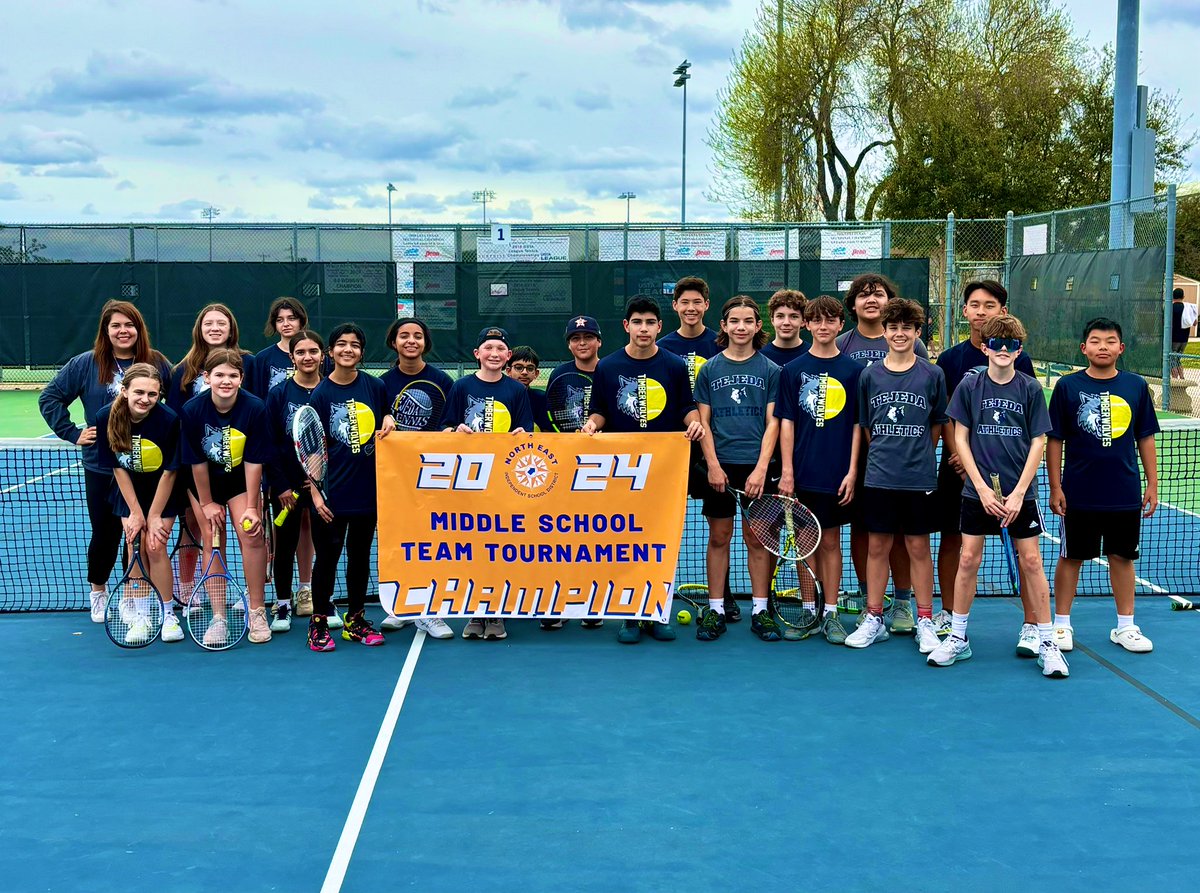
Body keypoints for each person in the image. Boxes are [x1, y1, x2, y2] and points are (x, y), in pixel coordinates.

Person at [926, 315, 1068, 677]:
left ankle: (1048, 641)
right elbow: (959, 437)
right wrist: (981, 487)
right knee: (968, 558)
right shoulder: (970, 387)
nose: (1003, 351)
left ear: (1019, 350)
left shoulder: (1030, 389)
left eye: (1011, 345)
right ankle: (958, 638)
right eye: (996, 344)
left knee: (1032, 561)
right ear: (985, 347)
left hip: (1022, 493)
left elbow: (1039, 440)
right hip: (978, 493)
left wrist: (1020, 492)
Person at [39, 300, 172, 622]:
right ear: (106, 331)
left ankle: (139, 597)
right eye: (116, 326)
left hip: (146, 471)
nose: (123, 331)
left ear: (139, 329)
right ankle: (98, 591)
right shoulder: (86, 364)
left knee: (144, 534)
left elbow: (177, 405)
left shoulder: (156, 362)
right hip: (102, 468)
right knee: (106, 533)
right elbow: (50, 397)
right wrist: (71, 432)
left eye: (130, 325)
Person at [583, 295, 704, 644]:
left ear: (659, 327)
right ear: (627, 326)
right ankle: (629, 615)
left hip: (665, 469)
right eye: (637, 322)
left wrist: (694, 423)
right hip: (623, 469)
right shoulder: (607, 366)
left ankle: (658, 611)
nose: (644, 329)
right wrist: (592, 425)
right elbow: (600, 410)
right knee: (627, 541)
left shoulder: (675, 365)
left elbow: (686, 406)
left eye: (650, 323)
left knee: (662, 541)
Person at [933, 280, 1036, 648]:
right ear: (964, 311)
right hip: (958, 468)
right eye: (974, 304)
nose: (981, 311)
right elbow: (947, 414)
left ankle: (1033, 625)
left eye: (989, 305)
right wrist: (958, 456)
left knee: (1030, 556)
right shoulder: (949, 360)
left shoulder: (1019, 360)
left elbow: (1028, 422)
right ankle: (949, 615)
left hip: (1008, 472)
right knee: (953, 542)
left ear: (1003, 311)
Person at [1047, 318, 1159, 654]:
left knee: (1122, 557)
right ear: (1084, 348)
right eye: (1095, 341)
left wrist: (1152, 482)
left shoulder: (1136, 386)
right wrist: (1056, 486)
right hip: (1079, 493)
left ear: (1121, 348)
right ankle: (1062, 624)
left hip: (1124, 494)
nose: (1103, 347)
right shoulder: (1067, 387)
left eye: (1110, 341)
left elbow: (1145, 437)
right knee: (1071, 557)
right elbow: (1054, 441)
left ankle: (1126, 626)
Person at [845, 298, 946, 654]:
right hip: (879, 476)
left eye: (907, 327)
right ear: (884, 332)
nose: (899, 333)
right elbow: (867, 427)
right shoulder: (869, 375)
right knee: (878, 546)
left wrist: (917, 453)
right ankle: (874, 617)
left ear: (917, 333)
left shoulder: (933, 374)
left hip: (918, 478)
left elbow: (936, 424)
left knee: (918, 547)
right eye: (893, 327)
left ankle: (925, 621)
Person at [836, 274, 924, 631]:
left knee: (903, 534)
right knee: (864, 530)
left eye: (879, 295)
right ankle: (865, 598)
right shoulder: (842, 343)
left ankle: (902, 603)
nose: (871, 300)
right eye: (863, 295)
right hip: (858, 456)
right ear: (853, 304)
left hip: (904, 463)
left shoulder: (913, 347)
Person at [693, 296, 782, 642]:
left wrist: (761, 469)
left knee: (757, 538)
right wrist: (713, 466)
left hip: (758, 467)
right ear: (725, 326)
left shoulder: (772, 371)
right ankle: (715, 609)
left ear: (759, 327)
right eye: (734, 321)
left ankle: (760, 610)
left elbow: (773, 423)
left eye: (748, 321)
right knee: (719, 537)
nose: (741, 327)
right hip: (720, 468)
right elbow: (704, 421)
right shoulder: (710, 369)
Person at [775, 295, 863, 645]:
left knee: (831, 543)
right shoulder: (793, 371)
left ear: (841, 325)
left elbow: (858, 426)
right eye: (817, 321)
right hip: (803, 473)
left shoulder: (855, 372)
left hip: (838, 474)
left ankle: (831, 614)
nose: (824, 327)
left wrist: (853, 471)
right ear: (807, 325)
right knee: (805, 545)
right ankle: (809, 610)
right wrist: (787, 471)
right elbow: (786, 425)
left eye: (831, 321)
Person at [304, 324, 396, 652]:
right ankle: (318, 623)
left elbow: (386, 421)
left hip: (367, 491)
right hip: (332, 494)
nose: (348, 350)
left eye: (355, 345)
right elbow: (313, 447)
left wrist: (389, 420)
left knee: (359, 558)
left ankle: (355, 621)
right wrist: (316, 493)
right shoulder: (321, 394)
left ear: (361, 352)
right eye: (341, 344)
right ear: (330, 352)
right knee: (327, 558)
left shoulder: (376, 386)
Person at [443, 326, 534, 641]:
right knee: (473, 549)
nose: (494, 353)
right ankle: (475, 610)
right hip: (469, 483)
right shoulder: (461, 387)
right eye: (488, 348)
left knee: (499, 548)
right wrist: (455, 432)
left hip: (504, 484)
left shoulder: (517, 391)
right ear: (477, 354)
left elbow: (526, 432)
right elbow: (445, 428)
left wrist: (522, 436)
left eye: (500, 349)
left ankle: (496, 612)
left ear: (507, 356)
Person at [178, 349, 273, 645]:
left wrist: (252, 507)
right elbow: (196, 463)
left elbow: (254, 461)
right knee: (212, 539)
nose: (226, 381)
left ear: (241, 378)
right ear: (207, 377)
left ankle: (256, 611)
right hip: (203, 483)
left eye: (233, 375)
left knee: (252, 534)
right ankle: (219, 617)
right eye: (219, 375)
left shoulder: (255, 408)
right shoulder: (193, 410)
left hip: (240, 482)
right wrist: (206, 504)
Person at [657, 276, 736, 619]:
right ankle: (653, 595)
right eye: (684, 302)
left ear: (706, 305)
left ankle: (724, 596)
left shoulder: (721, 343)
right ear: (675, 306)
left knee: (720, 527)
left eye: (697, 302)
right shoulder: (661, 347)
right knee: (659, 526)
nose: (690, 308)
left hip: (712, 452)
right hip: (670, 454)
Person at [167, 303, 255, 608]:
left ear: (231, 328)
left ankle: (247, 594)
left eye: (222, 322)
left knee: (250, 532)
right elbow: (179, 419)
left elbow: (254, 408)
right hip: (196, 468)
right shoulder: (182, 370)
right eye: (209, 323)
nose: (215, 328)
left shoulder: (248, 363)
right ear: (199, 329)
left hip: (242, 469)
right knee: (197, 530)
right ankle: (191, 587)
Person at [376, 317, 455, 639]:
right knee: (396, 541)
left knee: (433, 541)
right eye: (404, 336)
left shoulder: (444, 381)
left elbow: (452, 424)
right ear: (393, 342)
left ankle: (431, 610)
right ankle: (400, 606)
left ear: (426, 342)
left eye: (418, 336)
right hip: (395, 478)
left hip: (432, 477)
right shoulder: (380, 384)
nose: (411, 341)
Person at [94, 364, 183, 644]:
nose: (145, 399)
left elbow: (170, 472)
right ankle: (142, 616)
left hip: (163, 490)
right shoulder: (105, 416)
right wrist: (135, 512)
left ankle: (168, 614)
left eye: (153, 394)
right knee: (134, 545)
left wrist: (153, 515)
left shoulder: (168, 419)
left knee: (154, 545)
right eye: (139, 392)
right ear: (125, 391)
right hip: (128, 491)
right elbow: (117, 468)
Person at [263, 329, 340, 633]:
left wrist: (320, 479)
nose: (307, 357)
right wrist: (281, 485)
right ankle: (282, 604)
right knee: (285, 545)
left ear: (323, 355)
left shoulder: (330, 391)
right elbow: (270, 444)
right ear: (292, 358)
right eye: (301, 352)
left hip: (324, 487)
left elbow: (334, 440)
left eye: (313, 351)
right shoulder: (279, 394)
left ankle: (325, 601)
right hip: (287, 488)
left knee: (328, 545)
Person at [539, 317, 606, 630]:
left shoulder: (610, 370)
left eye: (588, 337)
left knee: (597, 536)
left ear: (598, 342)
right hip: (565, 467)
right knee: (562, 535)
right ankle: (558, 603)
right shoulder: (560, 374)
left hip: (604, 468)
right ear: (569, 344)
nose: (583, 343)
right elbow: (556, 416)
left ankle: (592, 603)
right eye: (576, 338)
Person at [249, 296, 311, 397]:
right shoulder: (263, 357)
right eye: (280, 320)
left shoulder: (315, 356)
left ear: (301, 320)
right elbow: (258, 396)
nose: (286, 324)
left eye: (291, 318)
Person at [506, 345, 554, 433]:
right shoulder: (501, 396)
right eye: (518, 367)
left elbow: (547, 432)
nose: (524, 372)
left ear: (536, 373)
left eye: (530, 368)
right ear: (508, 371)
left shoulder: (541, 398)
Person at [759, 289, 809, 367]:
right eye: (780, 316)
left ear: (803, 321)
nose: (786, 323)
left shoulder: (812, 354)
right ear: (772, 320)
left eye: (794, 316)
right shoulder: (760, 356)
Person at [1171, 288, 1191, 380]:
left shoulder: (1170, 308)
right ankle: (1182, 377)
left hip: (1173, 338)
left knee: (1172, 360)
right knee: (1178, 359)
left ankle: (1175, 379)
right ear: (1183, 296)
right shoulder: (1188, 308)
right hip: (1184, 338)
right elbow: (1194, 322)